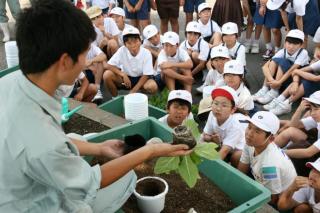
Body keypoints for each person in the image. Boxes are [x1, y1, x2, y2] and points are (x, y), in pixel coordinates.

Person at [0, 1, 191, 212]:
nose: (86, 62)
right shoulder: (43, 141)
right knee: (124, 177)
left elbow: (49, 142)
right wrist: (150, 151)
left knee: (82, 140)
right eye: (84, 54)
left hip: (14, 179)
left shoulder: (11, 82)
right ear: (64, 62)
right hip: (27, 205)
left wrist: (100, 148)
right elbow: (92, 181)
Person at [237, 111, 297, 206]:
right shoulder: (251, 142)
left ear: (271, 138)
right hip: (261, 178)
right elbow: (241, 171)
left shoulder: (269, 166)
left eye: (257, 131)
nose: (249, 134)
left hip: (282, 195)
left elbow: (271, 198)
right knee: (236, 157)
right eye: (249, 127)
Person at [253, 29, 309, 105]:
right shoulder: (283, 51)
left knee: (282, 62)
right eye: (289, 43)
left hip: (296, 79)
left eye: (295, 44)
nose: (291, 46)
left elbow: (292, 70)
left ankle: (274, 91)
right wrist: (272, 81)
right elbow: (265, 67)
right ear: (285, 42)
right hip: (282, 79)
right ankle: (264, 88)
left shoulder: (303, 53)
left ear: (301, 45)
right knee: (273, 61)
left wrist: (278, 82)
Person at [103, 27, 158, 96]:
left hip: (141, 78)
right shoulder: (122, 50)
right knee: (107, 75)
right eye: (129, 43)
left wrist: (133, 90)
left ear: (140, 41)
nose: (133, 45)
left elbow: (146, 75)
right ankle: (116, 98)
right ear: (125, 44)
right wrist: (122, 74)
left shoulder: (146, 53)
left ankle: (141, 97)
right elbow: (108, 65)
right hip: (126, 78)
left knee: (152, 86)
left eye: (135, 42)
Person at [202, 86, 246, 166]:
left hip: (239, 149)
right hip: (223, 144)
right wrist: (211, 138)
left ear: (233, 110)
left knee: (236, 157)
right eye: (215, 103)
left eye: (224, 105)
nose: (218, 108)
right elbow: (205, 135)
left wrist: (208, 167)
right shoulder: (212, 114)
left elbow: (224, 151)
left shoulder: (235, 126)